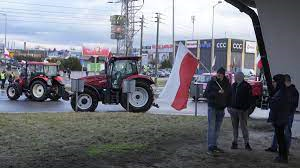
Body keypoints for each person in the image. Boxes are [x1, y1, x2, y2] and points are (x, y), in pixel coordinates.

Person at [265, 74, 299, 154]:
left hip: (288, 115)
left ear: (286, 81)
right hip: (281, 114)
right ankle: (274, 147)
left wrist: (286, 110)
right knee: (278, 131)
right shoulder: (282, 89)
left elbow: (294, 104)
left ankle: (285, 150)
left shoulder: (293, 91)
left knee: (286, 132)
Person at [204, 67, 231, 154]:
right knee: (211, 128)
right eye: (218, 73)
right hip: (212, 107)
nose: (219, 75)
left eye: (221, 74)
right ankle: (210, 147)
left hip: (221, 109)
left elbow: (229, 95)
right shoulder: (212, 82)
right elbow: (206, 94)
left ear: (223, 75)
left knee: (217, 128)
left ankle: (215, 145)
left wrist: (227, 104)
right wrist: (216, 92)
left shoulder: (227, 83)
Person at [267, 74, 290, 163]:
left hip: (280, 119)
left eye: (274, 81)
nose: (273, 83)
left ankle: (283, 157)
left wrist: (270, 100)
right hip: (280, 118)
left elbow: (276, 106)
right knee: (281, 139)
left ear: (278, 82)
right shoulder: (281, 91)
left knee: (281, 139)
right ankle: (282, 156)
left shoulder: (281, 92)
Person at [228, 72, 253, 151]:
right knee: (235, 127)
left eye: (236, 76)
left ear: (240, 77)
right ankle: (235, 142)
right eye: (235, 76)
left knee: (244, 127)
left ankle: (246, 143)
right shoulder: (233, 85)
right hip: (233, 110)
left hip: (242, 111)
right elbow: (230, 96)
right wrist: (229, 107)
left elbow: (250, 100)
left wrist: (245, 109)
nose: (235, 77)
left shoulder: (247, 86)